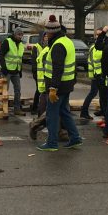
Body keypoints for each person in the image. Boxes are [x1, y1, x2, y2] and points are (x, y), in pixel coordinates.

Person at [37, 16, 82, 151]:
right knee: (64, 112)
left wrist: (52, 88)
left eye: (47, 32)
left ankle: (52, 143)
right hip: (66, 84)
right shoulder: (67, 41)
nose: (46, 34)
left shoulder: (57, 46)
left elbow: (57, 68)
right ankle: (75, 138)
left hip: (58, 86)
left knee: (52, 115)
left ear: (51, 32)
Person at [80, 26, 106, 120]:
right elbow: (92, 61)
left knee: (101, 94)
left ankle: (102, 110)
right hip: (97, 74)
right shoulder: (96, 47)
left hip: (98, 74)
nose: (98, 36)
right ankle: (84, 111)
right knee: (93, 93)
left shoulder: (96, 46)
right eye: (97, 34)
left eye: (100, 34)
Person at [0, 27, 26, 115]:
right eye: (19, 34)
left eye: (21, 35)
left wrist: (20, 70)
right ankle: (2, 109)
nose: (20, 36)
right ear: (15, 34)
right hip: (7, 70)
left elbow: (19, 59)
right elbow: (1, 55)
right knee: (4, 90)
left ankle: (17, 109)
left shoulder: (21, 45)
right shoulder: (8, 42)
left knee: (18, 90)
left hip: (16, 71)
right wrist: (4, 68)